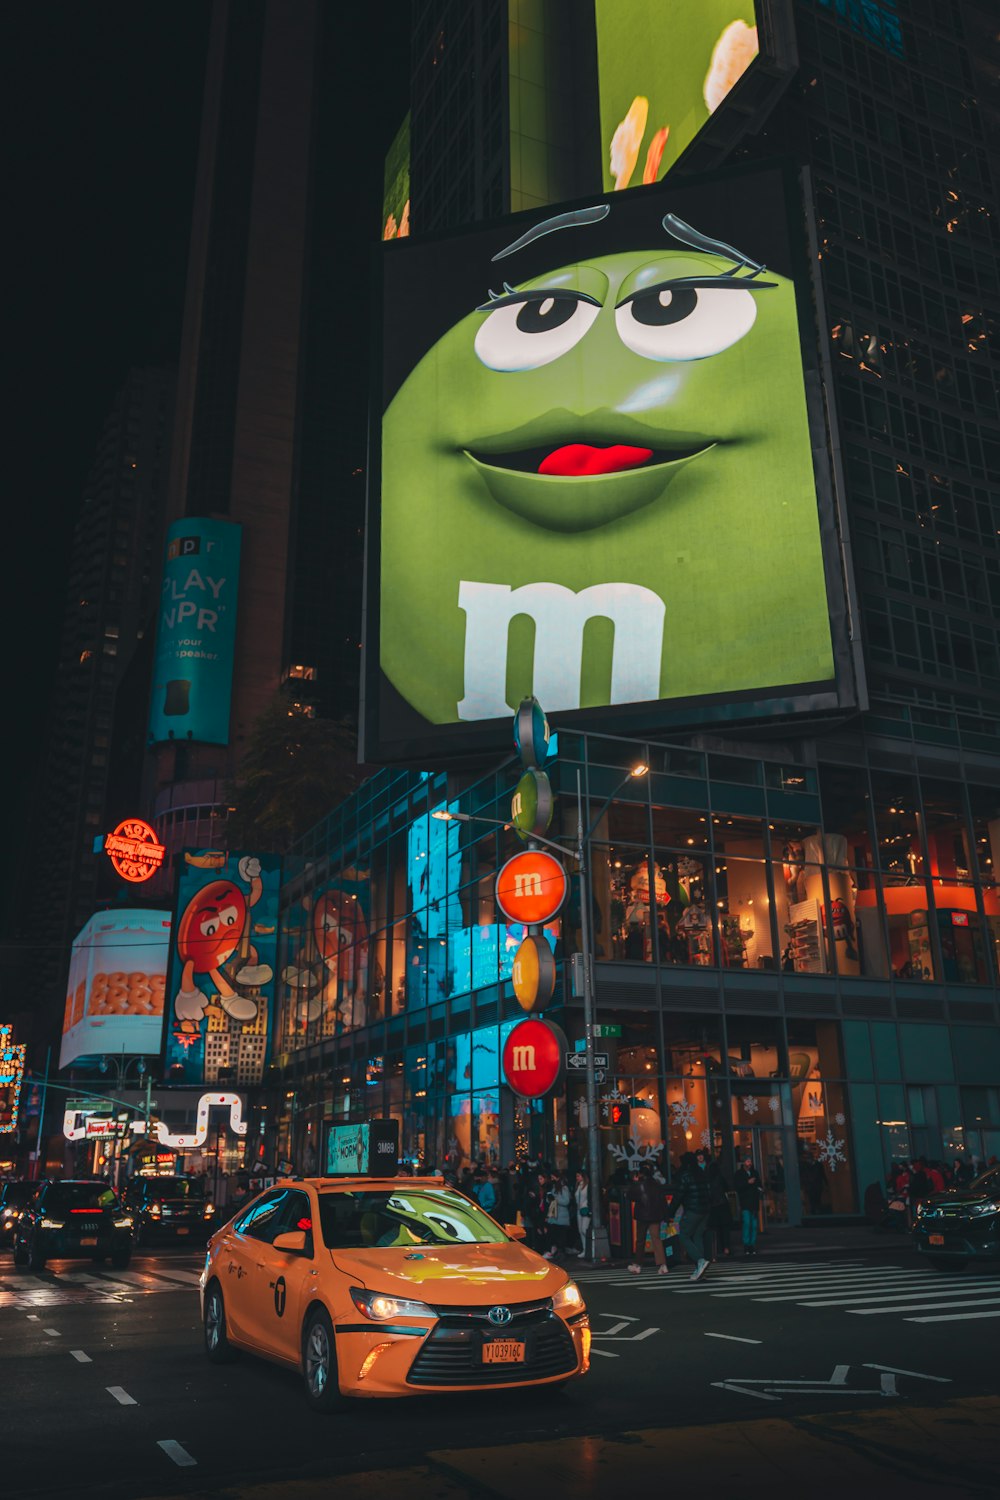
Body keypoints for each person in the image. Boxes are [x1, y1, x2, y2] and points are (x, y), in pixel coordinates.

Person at [667, 1149, 714, 1281]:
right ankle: (700, 1267)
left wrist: (670, 1213)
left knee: (684, 1236)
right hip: (705, 1210)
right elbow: (710, 1192)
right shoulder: (702, 1173)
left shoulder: (685, 1175)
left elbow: (678, 1196)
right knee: (697, 1236)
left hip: (693, 1210)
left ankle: (700, 1261)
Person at [627, 1164, 669, 1276]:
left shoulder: (639, 1185)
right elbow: (663, 1201)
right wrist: (666, 1215)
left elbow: (630, 1196)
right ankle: (662, 1265)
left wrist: (635, 1182)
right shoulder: (656, 1184)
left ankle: (637, 1264)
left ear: (640, 1174)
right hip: (655, 1215)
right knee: (656, 1239)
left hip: (642, 1216)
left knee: (640, 1240)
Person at [733, 1157, 764, 1256]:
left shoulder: (754, 1172)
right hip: (745, 1201)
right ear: (744, 1162)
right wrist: (748, 1182)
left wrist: (760, 1189)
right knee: (747, 1223)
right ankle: (747, 1244)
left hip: (754, 1201)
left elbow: (759, 1184)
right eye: (747, 1161)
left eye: (750, 1161)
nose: (749, 1163)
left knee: (754, 1225)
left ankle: (752, 1244)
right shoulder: (739, 1174)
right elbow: (737, 1186)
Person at [543, 1173, 572, 1259]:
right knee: (553, 1235)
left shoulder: (564, 1188)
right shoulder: (553, 1188)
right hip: (554, 1216)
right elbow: (549, 1201)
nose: (552, 1179)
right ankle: (553, 1251)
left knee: (561, 1237)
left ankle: (560, 1253)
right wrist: (549, 1198)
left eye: (553, 1177)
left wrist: (555, 1199)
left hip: (561, 1217)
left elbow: (566, 1201)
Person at [572, 1170, 591, 1258]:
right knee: (580, 1230)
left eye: (578, 1176)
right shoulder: (578, 1186)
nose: (577, 1178)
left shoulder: (587, 1186)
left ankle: (588, 1249)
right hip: (579, 1210)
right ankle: (585, 1249)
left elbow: (589, 1197)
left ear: (583, 1176)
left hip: (585, 1209)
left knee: (584, 1229)